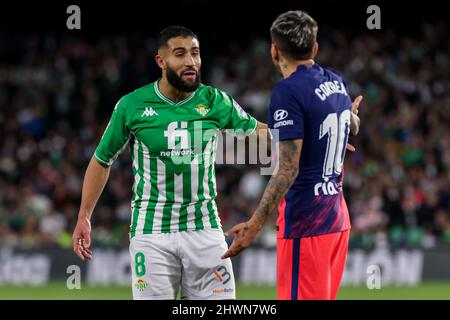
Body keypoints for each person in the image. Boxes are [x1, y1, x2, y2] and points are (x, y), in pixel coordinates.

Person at [72, 26, 268, 300]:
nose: (191, 61)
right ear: (161, 61)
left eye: (195, 53)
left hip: (205, 230)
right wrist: (84, 216)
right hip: (151, 234)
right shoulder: (132, 105)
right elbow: (102, 160)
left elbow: (263, 136)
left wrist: (316, 141)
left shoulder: (215, 101)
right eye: (180, 54)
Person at [222, 10, 363, 300]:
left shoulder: (288, 91)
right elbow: (344, 123)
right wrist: (349, 121)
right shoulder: (336, 81)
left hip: (306, 221)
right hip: (337, 218)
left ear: (274, 51)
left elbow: (288, 169)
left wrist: (255, 224)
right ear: (314, 48)